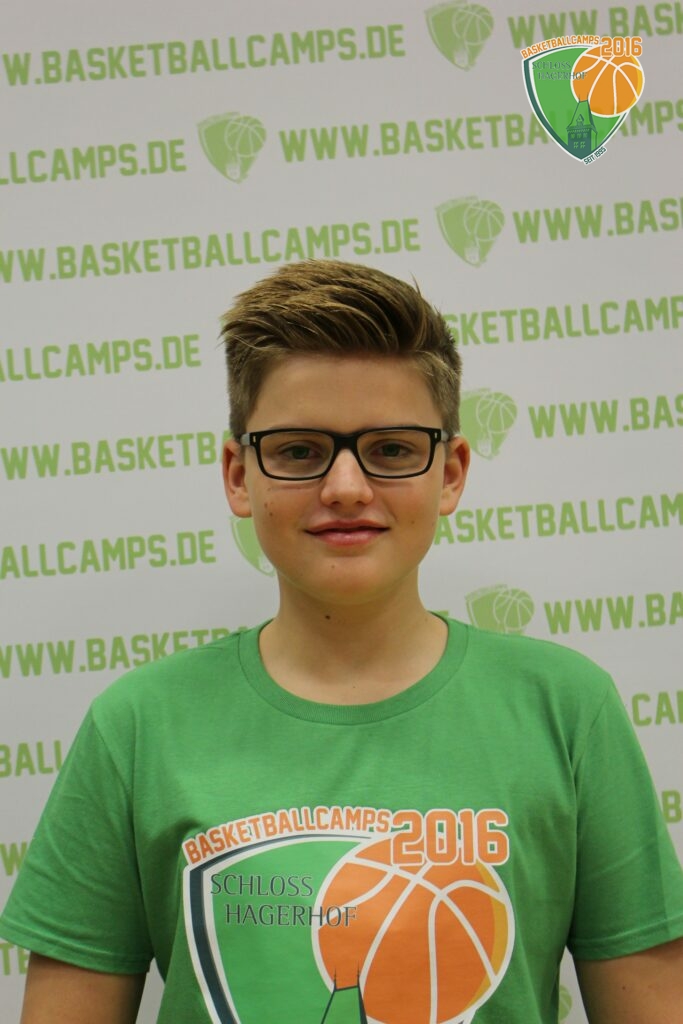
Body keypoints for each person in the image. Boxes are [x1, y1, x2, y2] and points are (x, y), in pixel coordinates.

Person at [1, 259, 682, 1024]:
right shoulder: (136, 726)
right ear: (238, 474)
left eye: (391, 449)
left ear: (450, 473)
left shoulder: (566, 710)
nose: (346, 488)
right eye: (298, 450)